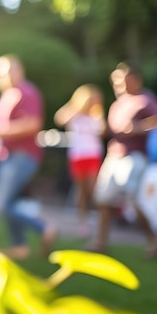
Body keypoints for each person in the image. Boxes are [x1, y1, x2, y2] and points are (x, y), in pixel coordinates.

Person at [87, 62, 157, 258]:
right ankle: (100, 243)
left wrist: (137, 128)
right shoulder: (117, 104)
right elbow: (111, 131)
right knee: (103, 200)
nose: (119, 86)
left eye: (122, 81)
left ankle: (155, 238)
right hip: (114, 155)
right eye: (115, 82)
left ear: (135, 80)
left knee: (132, 199)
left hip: (134, 156)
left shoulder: (145, 99)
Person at [0, 54, 57, 260]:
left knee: (1, 204)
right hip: (7, 157)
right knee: (11, 202)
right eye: (0, 74)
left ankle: (44, 227)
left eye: (9, 71)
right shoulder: (8, 95)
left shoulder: (26, 91)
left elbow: (32, 124)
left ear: (20, 71)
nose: (5, 77)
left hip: (22, 156)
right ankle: (20, 246)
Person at [54, 83, 106, 236]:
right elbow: (59, 118)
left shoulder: (96, 115)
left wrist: (97, 112)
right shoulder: (74, 114)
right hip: (77, 156)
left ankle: (101, 219)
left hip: (92, 155)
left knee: (94, 189)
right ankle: (83, 222)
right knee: (81, 191)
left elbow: (102, 131)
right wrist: (77, 107)